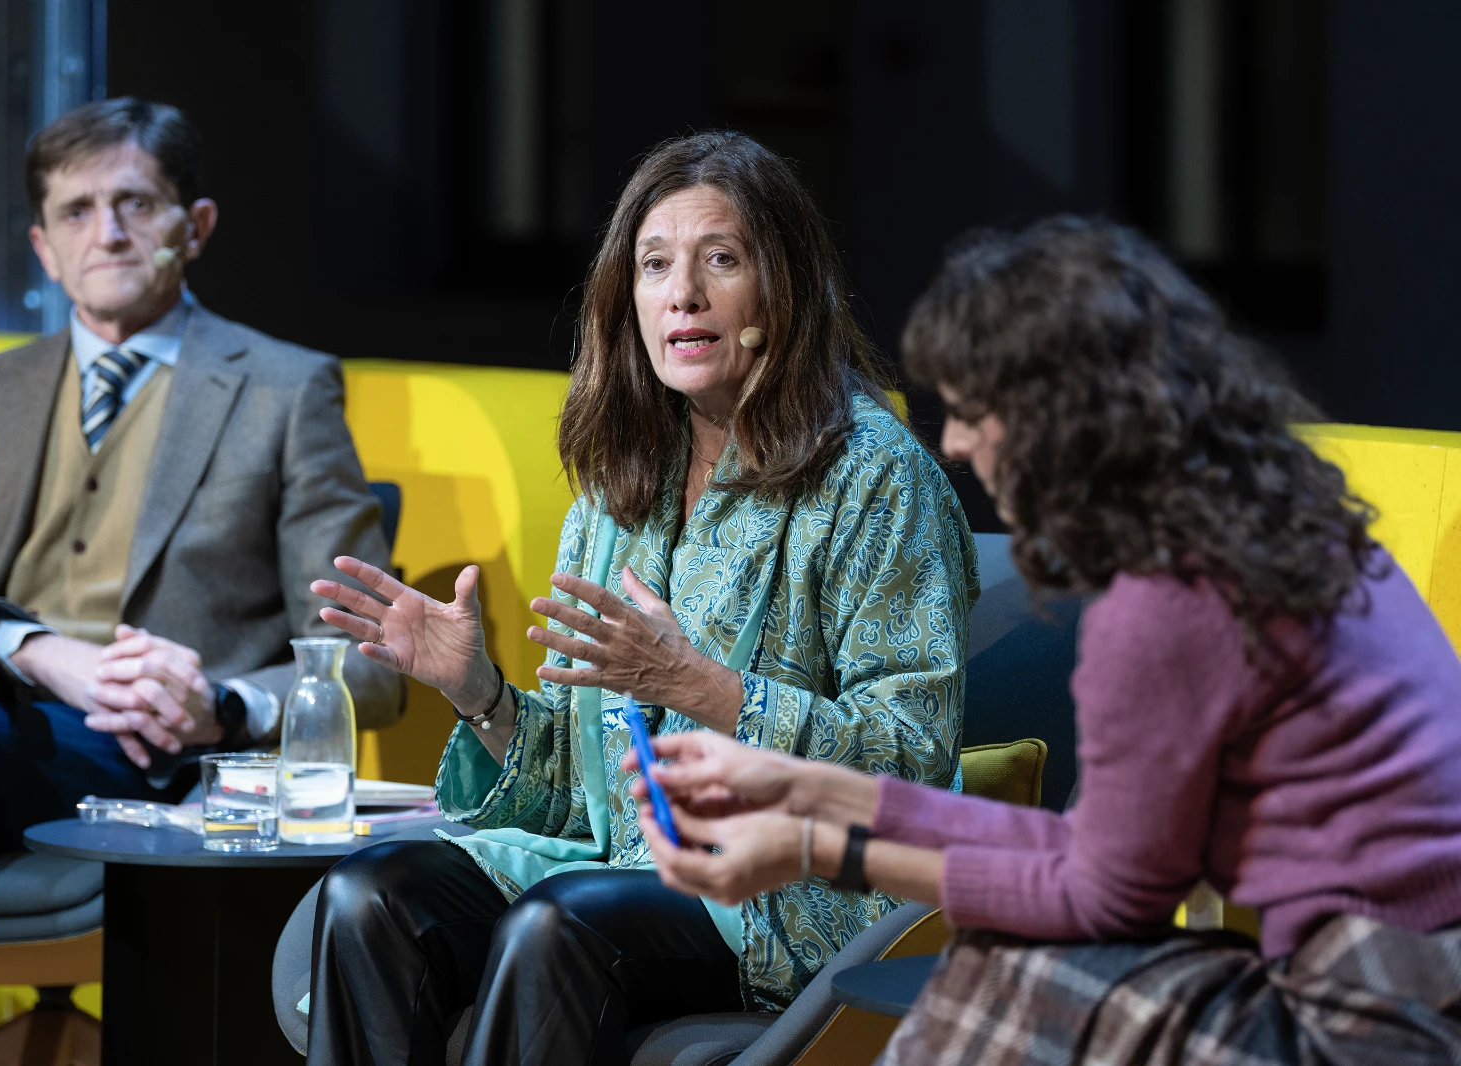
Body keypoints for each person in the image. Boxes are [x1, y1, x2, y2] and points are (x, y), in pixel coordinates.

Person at [631, 216, 1461, 1065]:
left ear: (1062, 415)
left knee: (998, 982)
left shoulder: (1168, 604)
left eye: (975, 409)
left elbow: (1097, 896)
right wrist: (810, 789)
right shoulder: (1283, 527)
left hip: (1374, 1021)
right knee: (999, 970)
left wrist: (812, 848)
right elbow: (1095, 858)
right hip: (1406, 980)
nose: (952, 441)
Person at [301, 131, 977, 1065]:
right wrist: (481, 694)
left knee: (558, 925)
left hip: (795, 895)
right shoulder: (621, 482)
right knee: (369, 895)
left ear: (783, 285)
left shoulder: (876, 478)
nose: (683, 294)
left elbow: (910, 761)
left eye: (722, 261)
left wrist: (703, 688)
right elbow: (587, 807)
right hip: (622, 872)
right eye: (655, 265)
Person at [0, 97, 403, 1063]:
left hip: (146, 755)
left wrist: (225, 705)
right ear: (42, 246)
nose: (105, 231)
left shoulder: (287, 390)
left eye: (134, 203)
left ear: (193, 228)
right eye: (76, 211)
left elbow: (370, 660)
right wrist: (44, 653)